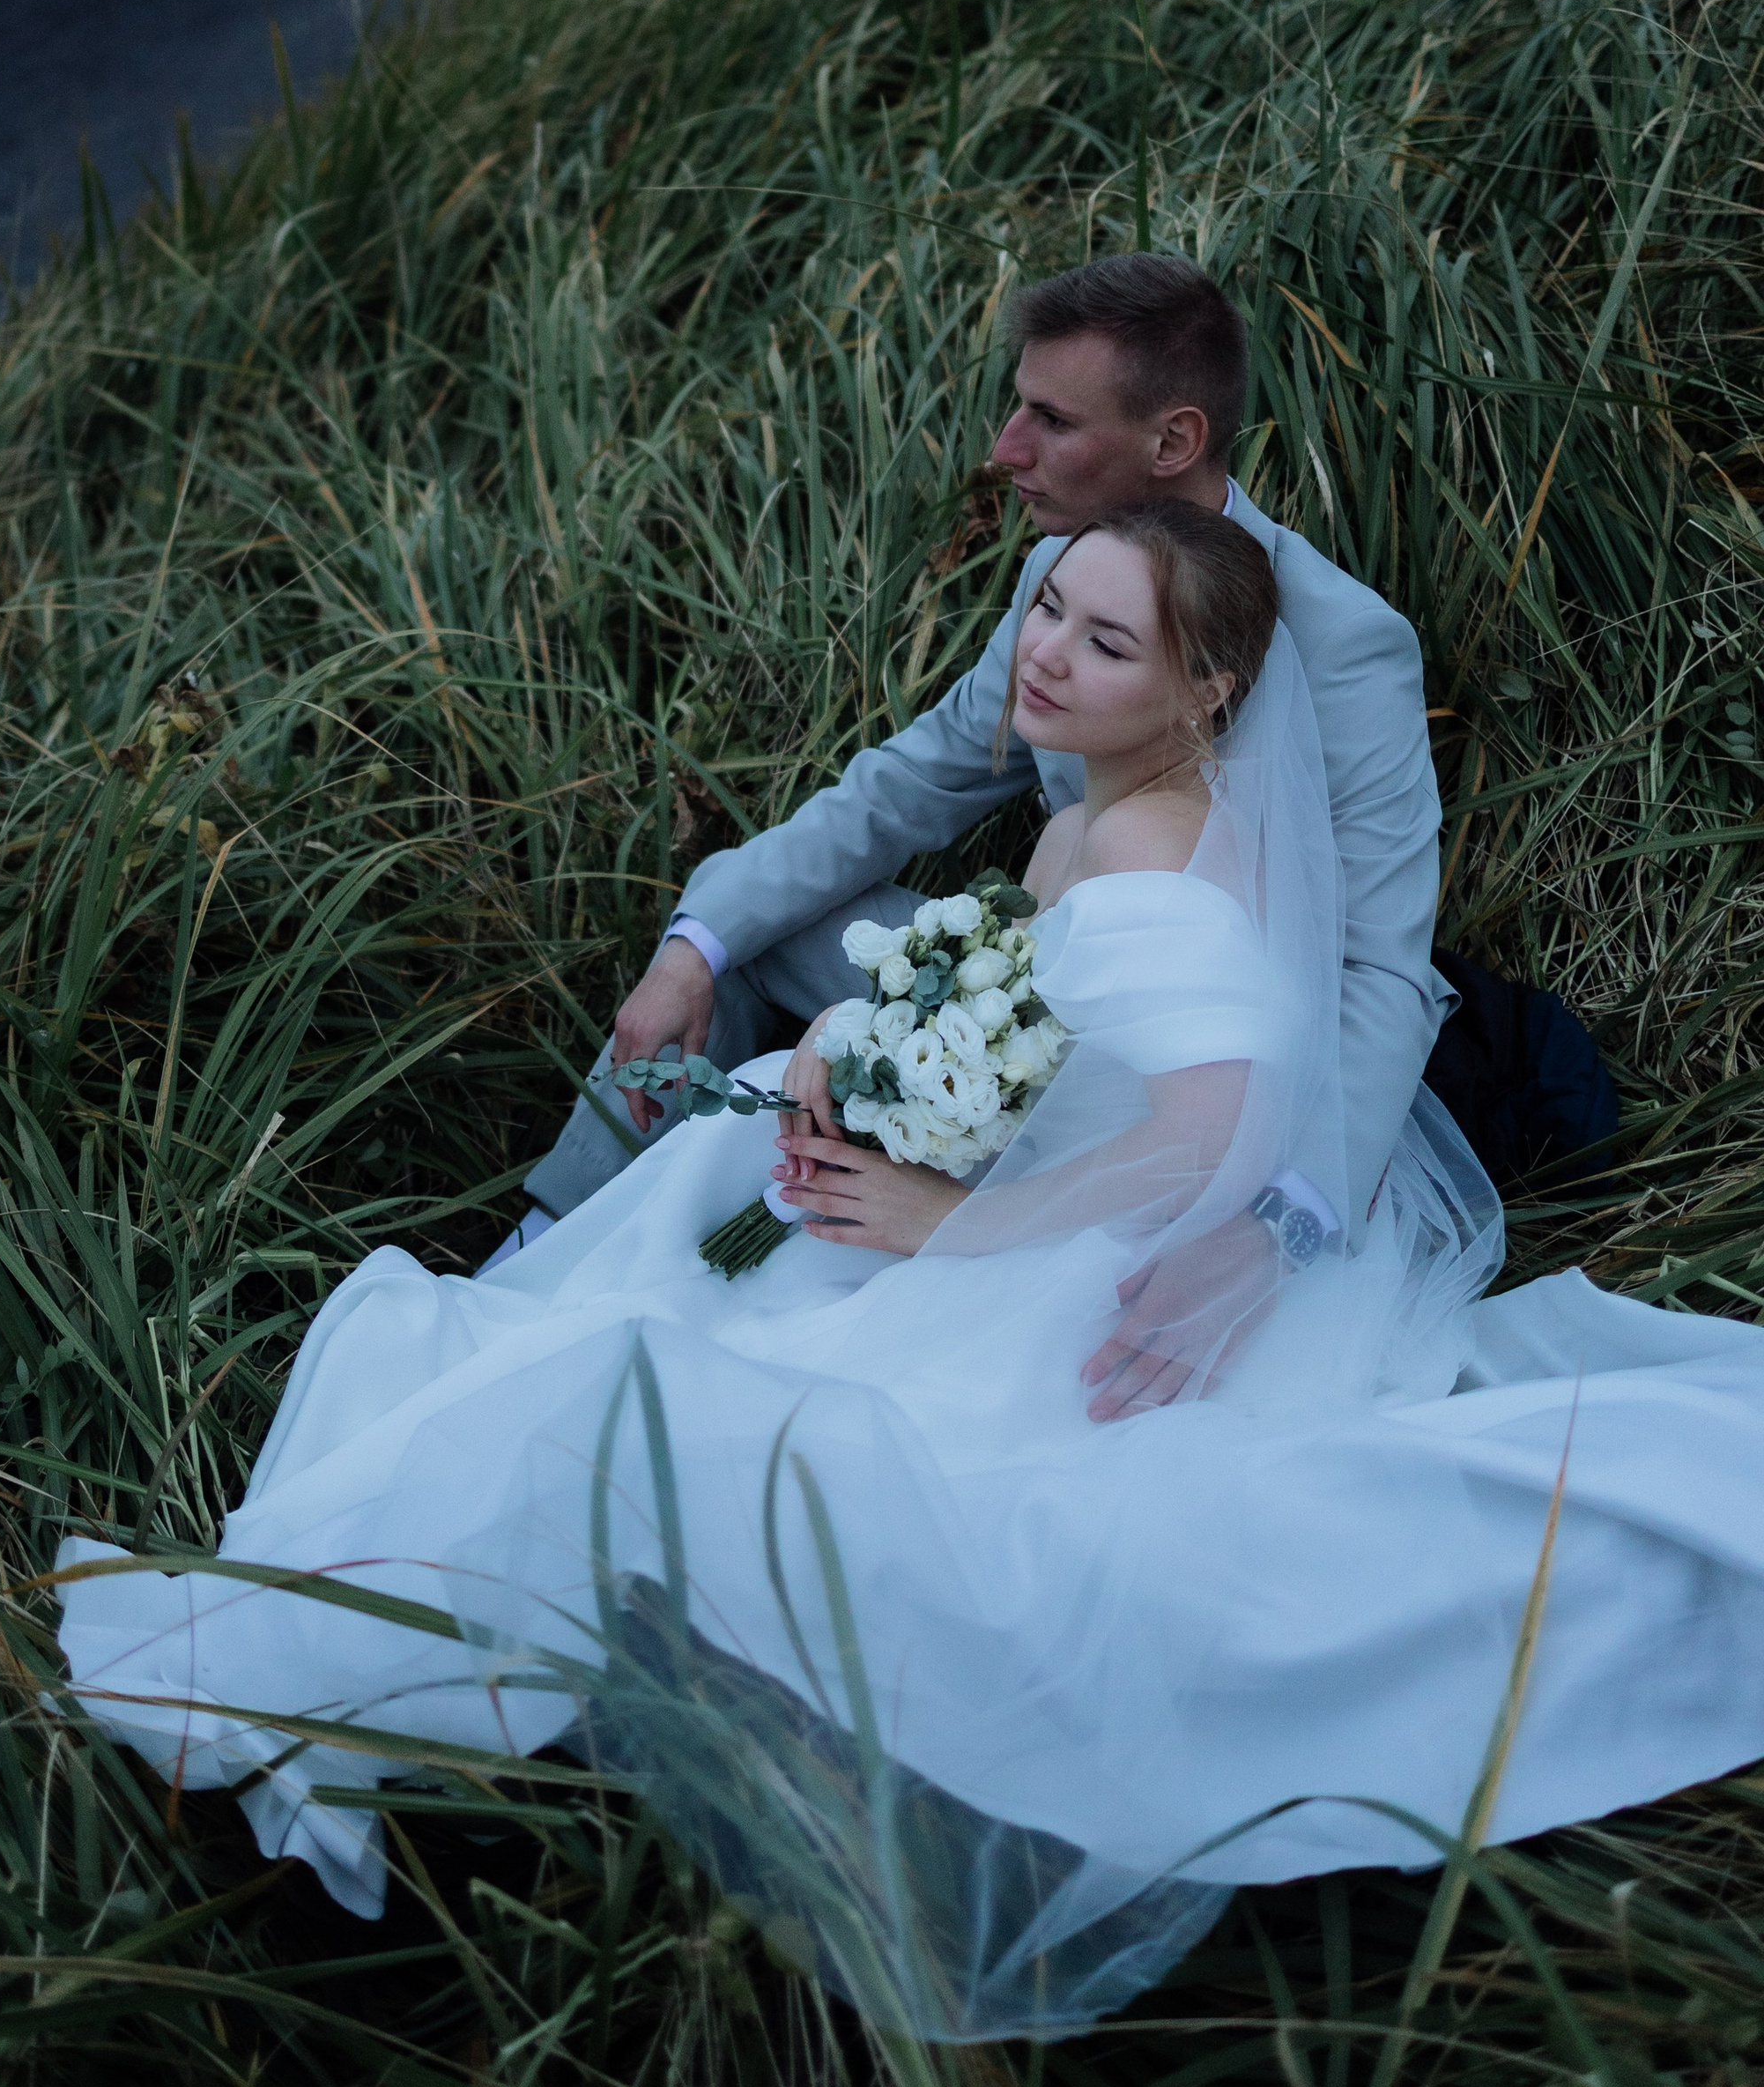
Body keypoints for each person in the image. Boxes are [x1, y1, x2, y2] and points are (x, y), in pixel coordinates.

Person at [58, 502, 1764, 2041]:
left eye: (1103, 642)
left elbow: (1213, 1124)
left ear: (1205, 694)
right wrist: (854, 1059)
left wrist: (949, 1224)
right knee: (695, 1220)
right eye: (1046, 612)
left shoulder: (1151, 852)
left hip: (1068, 1254)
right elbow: (1023, 998)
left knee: (656, 1401)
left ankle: (388, 1679)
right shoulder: (1115, 802)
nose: (1043, 651)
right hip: (1022, 1179)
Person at [515, 253, 1449, 1416]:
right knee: (746, 933)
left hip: (1209, 1079)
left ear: (1172, 443)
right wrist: (696, 943)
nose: (1003, 451)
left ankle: (696, 1273)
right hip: (1048, 982)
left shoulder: (1347, 644)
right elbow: (907, 784)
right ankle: (542, 1248)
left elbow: (1379, 971)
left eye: (1051, 423)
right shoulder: (1060, 574)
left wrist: (1281, 1226)